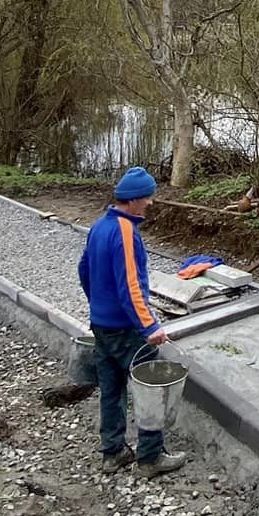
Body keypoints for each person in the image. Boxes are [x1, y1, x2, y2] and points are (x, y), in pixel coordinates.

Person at [78, 167, 186, 479]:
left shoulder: (99, 226)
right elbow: (131, 286)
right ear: (134, 199)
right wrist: (150, 327)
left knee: (111, 389)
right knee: (149, 389)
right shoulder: (125, 232)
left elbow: (83, 270)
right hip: (126, 330)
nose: (151, 203)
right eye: (148, 197)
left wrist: (97, 305)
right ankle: (150, 457)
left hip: (101, 325)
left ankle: (112, 452)